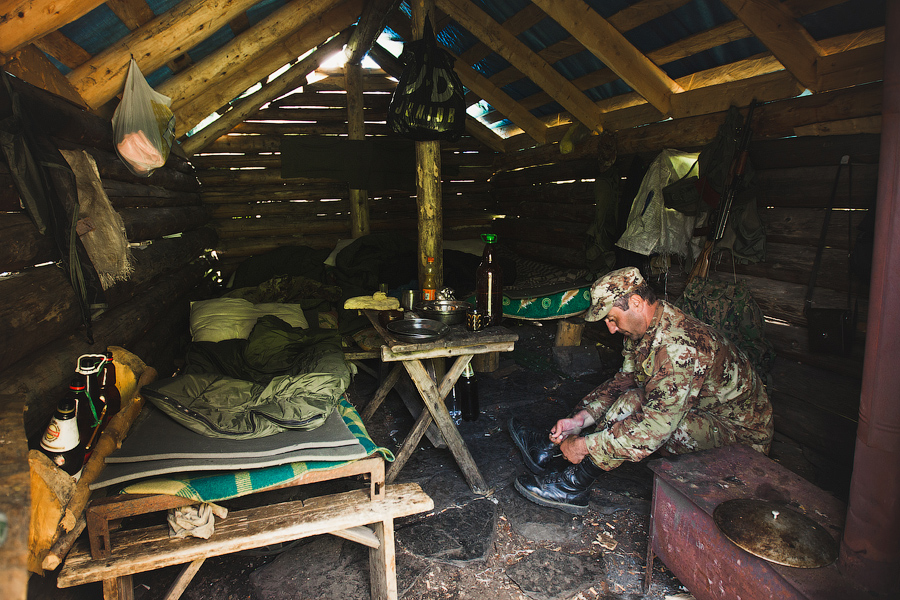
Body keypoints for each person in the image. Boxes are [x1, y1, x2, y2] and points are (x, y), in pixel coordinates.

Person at [510, 267, 774, 514]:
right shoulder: (642, 330)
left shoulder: (679, 347)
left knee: (635, 405)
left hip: (739, 442)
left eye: (612, 318)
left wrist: (586, 446)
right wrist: (580, 420)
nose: (611, 329)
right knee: (631, 396)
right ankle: (555, 450)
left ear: (636, 302)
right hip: (697, 413)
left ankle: (574, 483)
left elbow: (656, 426)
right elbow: (624, 382)